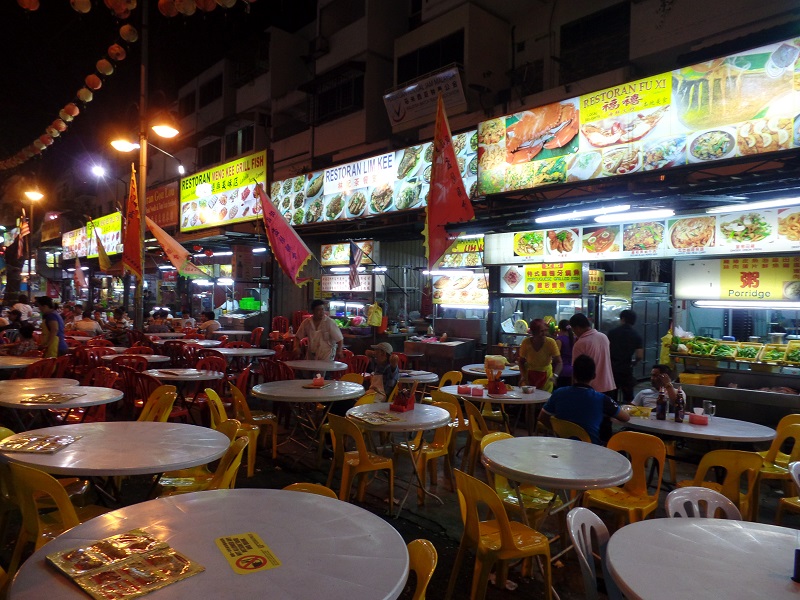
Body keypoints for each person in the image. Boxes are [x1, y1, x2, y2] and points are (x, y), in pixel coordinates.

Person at [538, 354, 629, 445]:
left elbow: (542, 417)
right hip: (590, 449)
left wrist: (557, 429)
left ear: (573, 374)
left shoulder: (558, 393)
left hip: (563, 446)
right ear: (594, 376)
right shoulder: (602, 399)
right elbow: (625, 417)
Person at [607, 309, 644, 404]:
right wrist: (634, 362)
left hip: (612, 369)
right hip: (626, 370)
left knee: (611, 397)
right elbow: (639, 355)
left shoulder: (612, 333)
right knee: (628, 398)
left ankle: (612, 415)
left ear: (622, 319)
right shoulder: (636, 335)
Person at [517, 318, 562, 393]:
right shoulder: (526, 342)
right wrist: (523, 376)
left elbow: (559, 362)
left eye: (545, 330)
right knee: (530, 401)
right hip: (529, 377)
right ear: (534, 332)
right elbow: (521, 361)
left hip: (546, 377)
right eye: (541, 331)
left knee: (544, 401)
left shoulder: (551, 342)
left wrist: (555, 376)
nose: (544, 333)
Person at [554, 319, 574, 388]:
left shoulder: (559, 340)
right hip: (572, 371)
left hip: (561, 372)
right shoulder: (574, 338)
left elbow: (556, 356)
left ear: (560, 329)